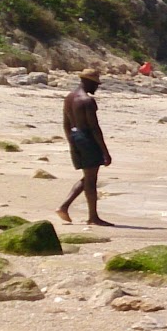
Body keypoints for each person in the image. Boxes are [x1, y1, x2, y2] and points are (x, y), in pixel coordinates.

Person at [57, 67, 113, 226]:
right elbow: (95, 128)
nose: (97, 87)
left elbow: (66, 123)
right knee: (91, 179)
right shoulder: (87, 101)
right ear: (88, 82)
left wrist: (71, 142)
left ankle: (64, 206)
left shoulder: (69, 98)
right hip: (87, 138)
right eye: (95, 84)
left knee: (88, 176)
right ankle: (92, 217)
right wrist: (105, 152)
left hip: (75, 136)